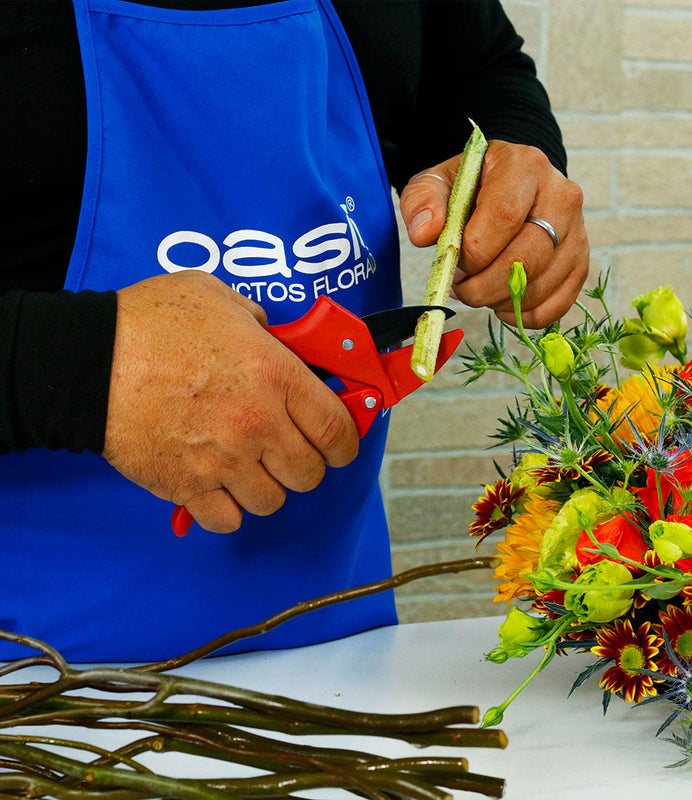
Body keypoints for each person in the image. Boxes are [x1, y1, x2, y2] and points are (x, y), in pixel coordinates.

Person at [0, 0, 589, 661]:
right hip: (33, 690)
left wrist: (517, 175)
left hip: (337, 653)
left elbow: (477, 67)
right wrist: (78, 367)